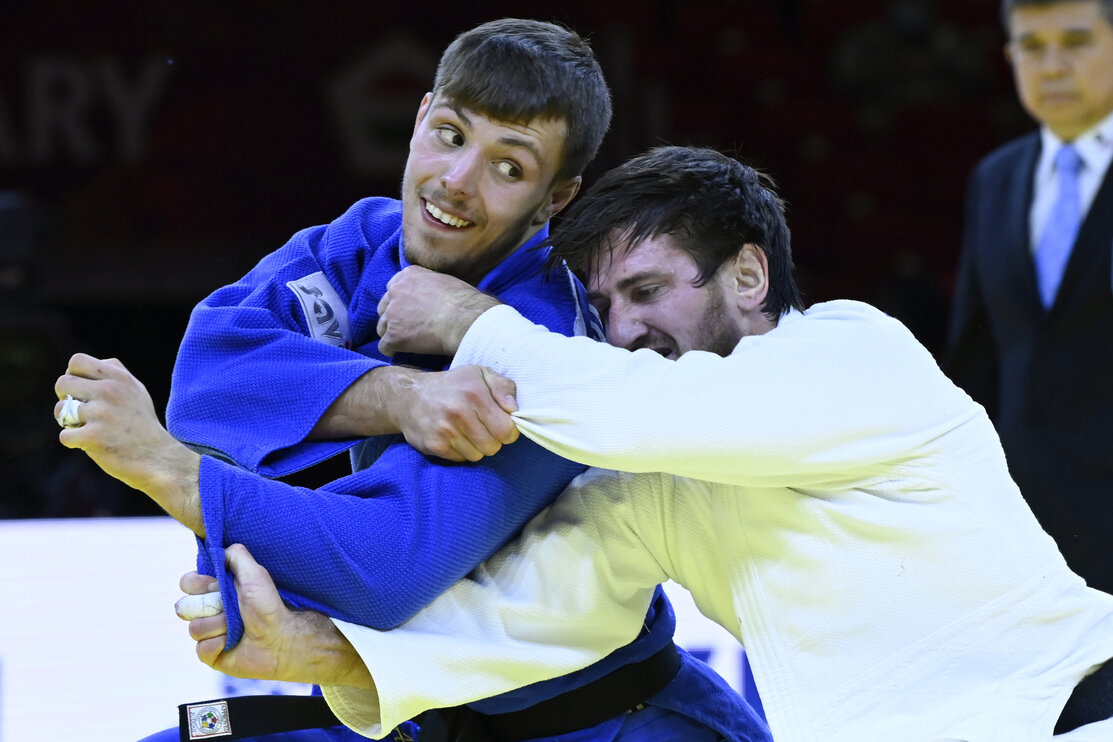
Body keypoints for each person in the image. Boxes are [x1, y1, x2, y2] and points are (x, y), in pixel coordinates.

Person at [173, 146, 1113, 741]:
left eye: (649, 291)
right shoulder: (656, 476)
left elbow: (634, 410)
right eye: (606, 304)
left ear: (748, 273)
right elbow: (532, 611)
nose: (621, 330)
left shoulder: (855, 350)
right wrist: (322, 652)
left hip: (1070, 707)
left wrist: (474, 321)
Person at [56, 20, 770, 742]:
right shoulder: (363, 241)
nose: (456, 181)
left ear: (555, 198)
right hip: (415, 716)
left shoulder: (545, 341)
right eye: (452, 136)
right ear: (421, 117)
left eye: (509, 167)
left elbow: (383, 567)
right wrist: (406, 397)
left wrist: (165, 469)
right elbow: (208, 381)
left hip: (602, 721)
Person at [945, 0, 1113, 594]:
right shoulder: (996, 178)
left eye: (1076, 41)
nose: (1053, 66)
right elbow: (977, 360)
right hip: (1021, 533)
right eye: (1033, 47)